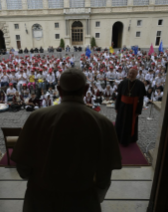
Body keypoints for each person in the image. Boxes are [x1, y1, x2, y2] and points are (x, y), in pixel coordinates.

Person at [11, 68, 121, 212]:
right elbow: (104, 176)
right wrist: (94, 197)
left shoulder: (36, 118)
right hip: (82, 200)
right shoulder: (103, 123)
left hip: (41, 199)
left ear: (59, 90)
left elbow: (23, 168)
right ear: (86, 89)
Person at [115, 67, 146, 146]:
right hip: (122, 106)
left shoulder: (140, 84)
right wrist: (116, 107)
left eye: (133, 73)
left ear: (136, 74)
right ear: (128, 73)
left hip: (133, 107)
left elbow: (141, 99)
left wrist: (139, 110)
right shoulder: (123, 82)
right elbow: (119, 96)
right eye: (130, 73)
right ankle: (118, 137)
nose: (131, 75)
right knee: (120, 122)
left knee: (130, 123)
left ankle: (130, 139)